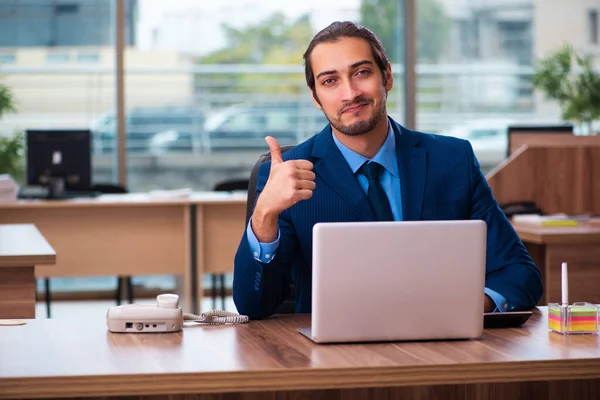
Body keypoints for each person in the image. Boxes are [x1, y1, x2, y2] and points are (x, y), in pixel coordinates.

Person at [233, 21, 543, 320]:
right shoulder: (289, 174)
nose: (350, 93)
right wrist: (265, 215)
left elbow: (519, 272)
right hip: (333, 360)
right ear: (316, 97)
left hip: (442, 351)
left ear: (387, 77)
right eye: (330, 81)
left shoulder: (452, 160)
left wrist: (477, 304)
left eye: (362, 72)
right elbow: (254, 305)